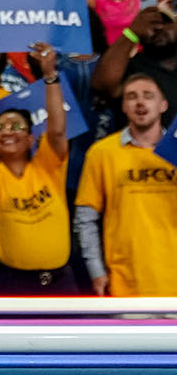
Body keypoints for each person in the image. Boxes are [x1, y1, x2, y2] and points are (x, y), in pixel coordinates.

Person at [0, 42, 74, 293]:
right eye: (0, 127)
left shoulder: (48, 165)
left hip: (61, 283)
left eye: (16, 126)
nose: (7, 131)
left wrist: (50, 77)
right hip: (9, 283)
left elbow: (58, 128)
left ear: (31, 138)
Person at [75, 72, 177, 296]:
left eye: (148, 96)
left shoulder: (176, 151)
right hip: (126, 286)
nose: (140, 102)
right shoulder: (101, 153)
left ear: (163, 105)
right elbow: (85, 219)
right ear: (123, 107)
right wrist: (96, 272)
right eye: (131, 96)